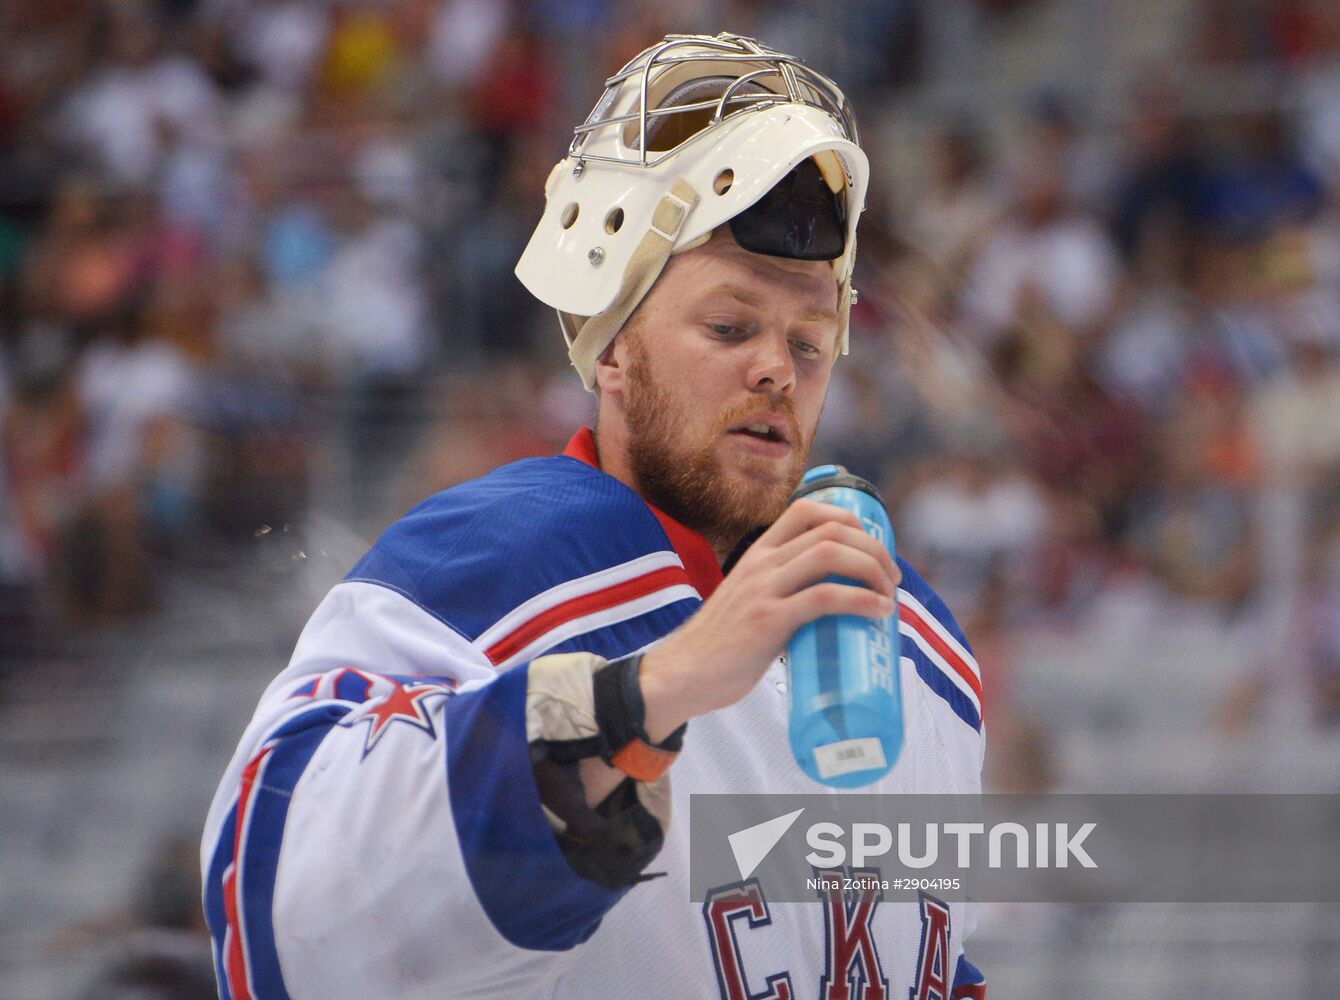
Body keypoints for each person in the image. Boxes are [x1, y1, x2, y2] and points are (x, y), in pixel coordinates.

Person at [201, 33, 986, 1000]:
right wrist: (639, 698)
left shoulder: (922, 646)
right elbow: (283, 919)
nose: (777, 371)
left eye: (810, 342)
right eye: (729, 326)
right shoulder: (481, 570)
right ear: (611, 347)